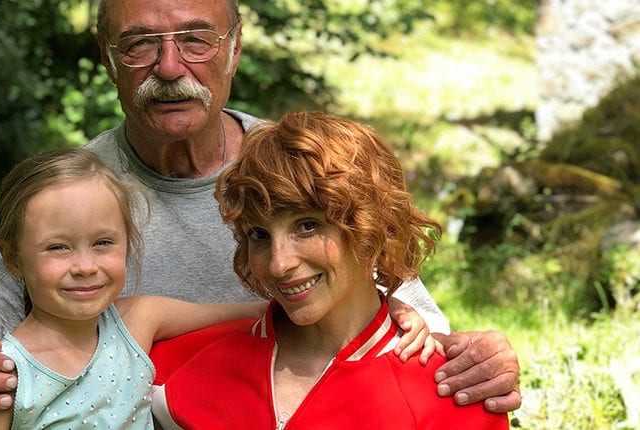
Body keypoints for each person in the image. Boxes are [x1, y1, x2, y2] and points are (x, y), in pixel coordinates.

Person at [0, 0, 520, 428]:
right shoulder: (63, 200)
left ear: (234, 49)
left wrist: (476, 355)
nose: (170, 68)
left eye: (196, 39)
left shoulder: (296, 171)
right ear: (108, 58)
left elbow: (408, 335)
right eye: (140, 44)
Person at [150, 111, 509, 429]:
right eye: (259, 234)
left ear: (374, 227)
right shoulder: (177, 364)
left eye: (307, 225)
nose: (279, 264)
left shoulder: (453, 394)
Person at [0, 147, 268, 428]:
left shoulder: (136, 320)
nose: (85, 267)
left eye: (102, 242)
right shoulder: (4, 374)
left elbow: (257, 313)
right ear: (13, 258)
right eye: (57, 247)